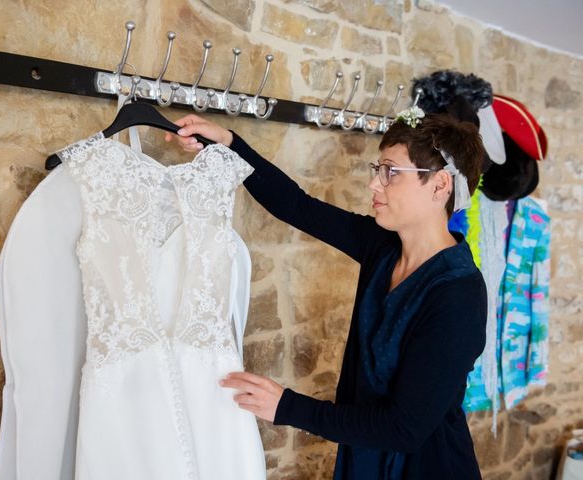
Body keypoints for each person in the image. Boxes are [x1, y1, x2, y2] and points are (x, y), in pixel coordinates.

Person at [165, 108, 487, 480]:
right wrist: (229, 144)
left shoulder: (458, 294)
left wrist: (286, 407)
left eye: (391, 172)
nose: (374, 184)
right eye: (377, 169)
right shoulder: (382, 247)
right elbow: (297, 206)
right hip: (364, 458)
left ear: (440, 186)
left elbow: (404, 428)